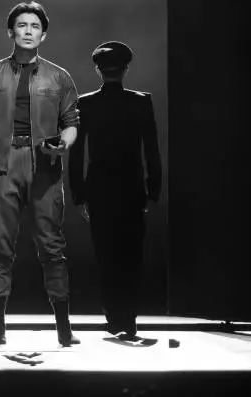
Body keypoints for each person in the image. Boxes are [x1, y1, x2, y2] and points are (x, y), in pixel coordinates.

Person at [0, 1, 81, 347]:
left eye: (35, 26)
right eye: (22, 25)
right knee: (1, 245)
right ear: (10, 31)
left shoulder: (58, 77)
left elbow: (71, 123)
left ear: (43, 35)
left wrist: (63, 144)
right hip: (3, 165)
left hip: (45, 166)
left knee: (52, 245)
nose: (28, 31)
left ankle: (64, 329)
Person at [68, 40, 161, 343]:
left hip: (100, 190)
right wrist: (152, 190)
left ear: (98, 70)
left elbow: (76, 153)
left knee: (106, 254)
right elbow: (151, 150)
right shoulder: (141, 102)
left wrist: (80, 194)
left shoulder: (86, 103)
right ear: (126, 68)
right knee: (131, 255)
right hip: (132, 188)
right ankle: (128, 319)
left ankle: (114, 319)